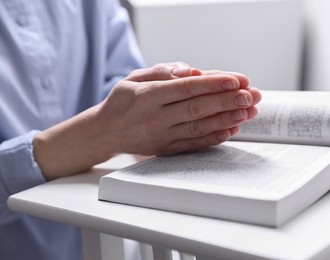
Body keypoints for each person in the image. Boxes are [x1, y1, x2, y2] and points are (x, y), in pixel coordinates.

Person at [0, 1, 261, 259]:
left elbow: (119, 89)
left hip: (114, 242)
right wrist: (102, 133)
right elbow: (114, 121)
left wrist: (162, 104)